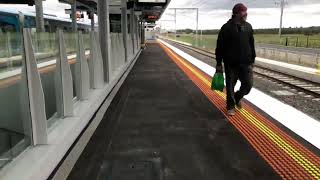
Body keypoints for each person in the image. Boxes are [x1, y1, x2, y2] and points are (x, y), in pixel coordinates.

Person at [215, 3, 256, 116]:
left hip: (246, 63)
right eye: (244, 11)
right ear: (237, 13)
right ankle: (230, 106)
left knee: (248, 85)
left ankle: (237, 97)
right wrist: (219, 63)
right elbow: (220, 47)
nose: (246, 14)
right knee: (230, 86)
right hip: (231, 63)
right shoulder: (226, 28)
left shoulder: (248, 27)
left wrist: (253, 59)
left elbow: (251, 44)